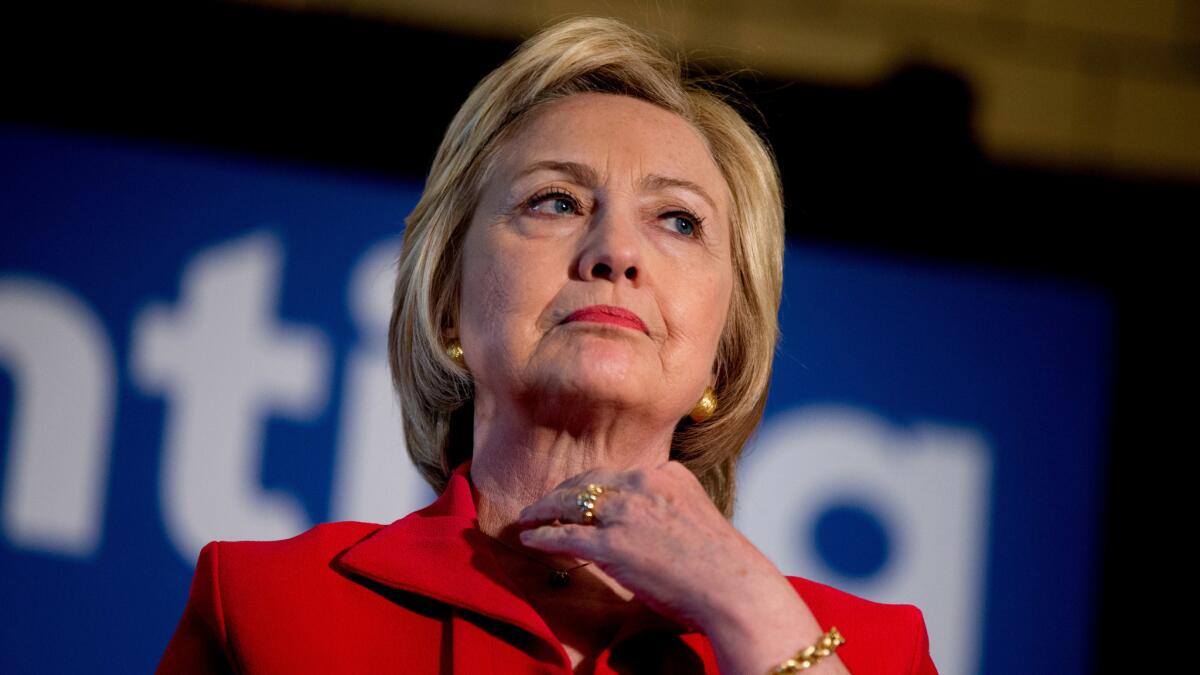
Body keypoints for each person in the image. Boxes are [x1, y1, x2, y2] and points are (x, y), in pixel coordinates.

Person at [158, 16, 938, 675]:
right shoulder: (271, 607)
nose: (616, 252)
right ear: (448, 304)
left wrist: (753, 611)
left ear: (725, 349)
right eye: (555, 201)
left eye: (678, 220)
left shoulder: (873, 648)